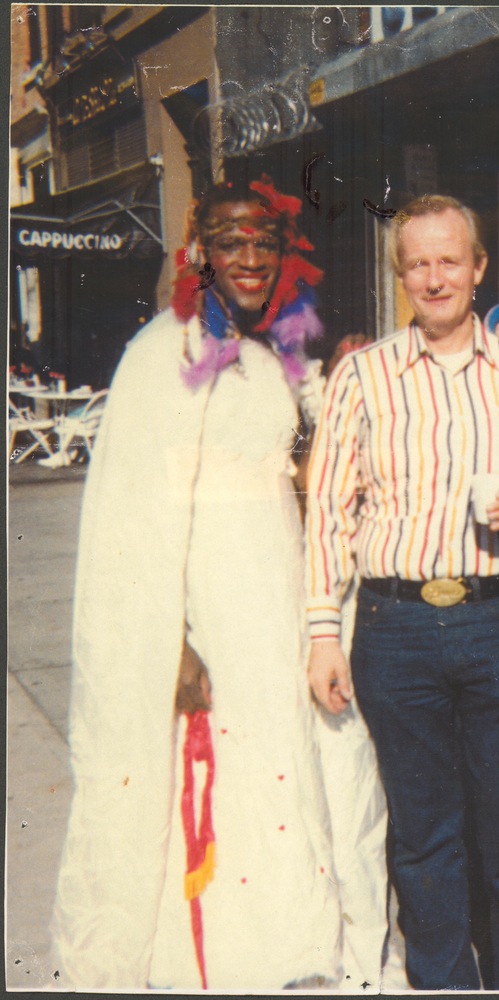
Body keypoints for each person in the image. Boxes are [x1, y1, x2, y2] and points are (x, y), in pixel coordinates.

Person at [51, 173, 350, 991]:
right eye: (230, 239)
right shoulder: (164, 353)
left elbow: (281, 469)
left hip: (272, 595)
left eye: (264, 239)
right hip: (206, 606)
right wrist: (173, 644)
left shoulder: (270, 349)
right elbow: (131, 517)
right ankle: (207, 961)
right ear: (199, 254)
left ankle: (277, 945)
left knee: (271, 761)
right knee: (213, 766)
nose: (250, 255)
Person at [305, 194, 499, 991]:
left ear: (477, 269)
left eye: (448, 260)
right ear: (401, 276)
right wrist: (323, 632)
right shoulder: (361, 376)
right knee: (424, 842)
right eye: (418, 263)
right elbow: (328, 511)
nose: (434, 277)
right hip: (394, 631)